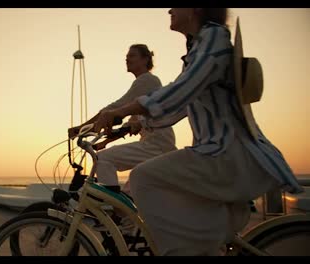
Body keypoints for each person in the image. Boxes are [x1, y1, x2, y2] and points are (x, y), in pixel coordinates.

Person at [94, 8, 303, 255]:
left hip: (224, 153)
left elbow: (179, 91)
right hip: (217, 154)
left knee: (143, 178)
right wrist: (137, 123)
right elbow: (180, 105)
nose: (170, 10)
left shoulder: (214, 39)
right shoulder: (200, 47)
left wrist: (120, 112)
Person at [68, 44, 177, 195]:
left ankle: (108, 205)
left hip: (156, 146)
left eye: (132, 55)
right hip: (156, 146)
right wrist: (104, 142)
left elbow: (116, 107)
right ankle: (120, 216)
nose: (127, 59)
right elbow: (130, 123)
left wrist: (80, 128)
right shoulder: (143, 87)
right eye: (126, 56)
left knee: (102, 159)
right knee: (129, 194)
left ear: (145, 59)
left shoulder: (147, 80)